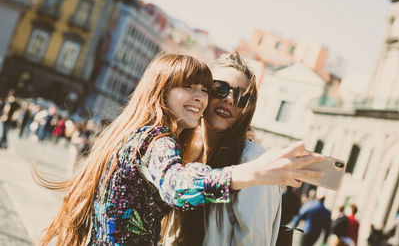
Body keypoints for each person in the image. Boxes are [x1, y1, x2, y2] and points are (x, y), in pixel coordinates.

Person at [37, 53, 323, 246]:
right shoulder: (155, 140)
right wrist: (250, 173)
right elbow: (177, 185)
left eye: (243, 96)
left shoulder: (142, 134)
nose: (202, 97)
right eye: (218, 88)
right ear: (162, 90)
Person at [166, 52, 320, 246]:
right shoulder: (180, 150)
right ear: (202, 92)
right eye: (219, 88)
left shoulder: (255, 162)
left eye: (242, 97)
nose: (230, 99)